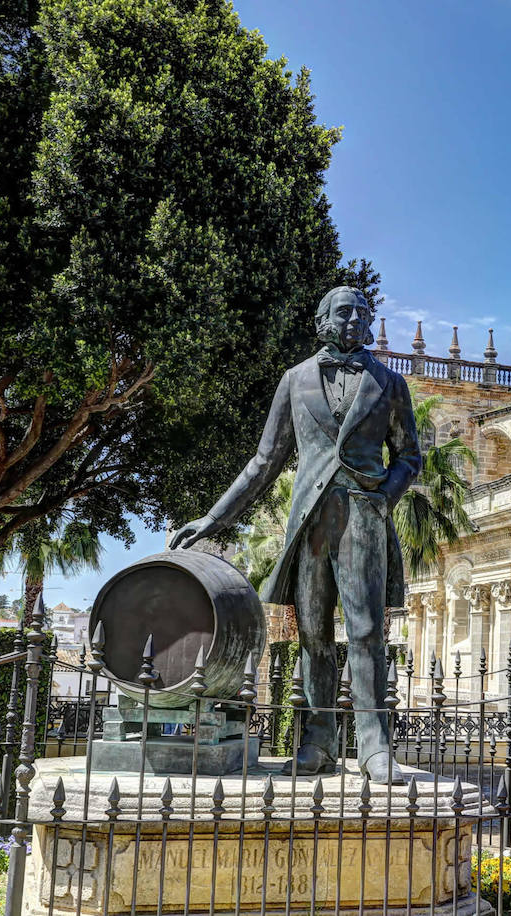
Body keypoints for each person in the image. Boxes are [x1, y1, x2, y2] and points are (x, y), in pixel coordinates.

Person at [169, 287, 422, 784]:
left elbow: (409, 456)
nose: (354, 319)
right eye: (344, 312)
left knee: (367, 632)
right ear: (322, 319)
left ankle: (374, 748)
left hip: (362, 517)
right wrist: (213, 519)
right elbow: (265, 461)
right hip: (309, 521)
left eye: (362, 313)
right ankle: (318, 743)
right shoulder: (295, 379)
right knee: (313, 635)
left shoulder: (390, 383)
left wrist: (381, 499)